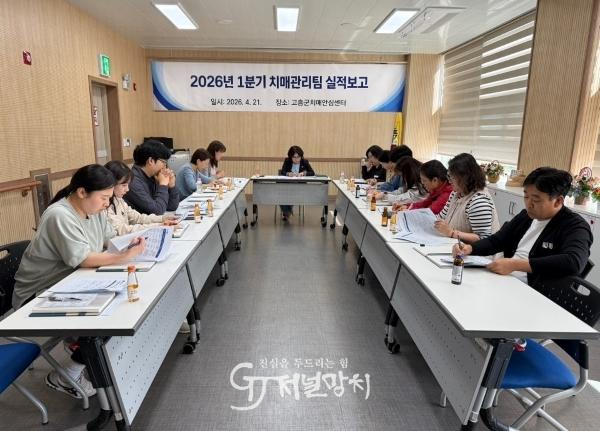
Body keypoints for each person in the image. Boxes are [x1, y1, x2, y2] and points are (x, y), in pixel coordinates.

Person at [12, 164, 146, 398]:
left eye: (109, 198)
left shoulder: (94, 211)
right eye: (103, 198)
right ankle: (66, 375)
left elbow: (109, 240)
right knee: (109, 319)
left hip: (70, 283)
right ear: (82, 192)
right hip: (39, 294)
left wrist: (130, 244)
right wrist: (123, 256)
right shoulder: (59, 215)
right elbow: (84, 259)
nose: (107, 203)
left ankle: (84, 358)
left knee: (122, 307)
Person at [453, 167, 592, 285]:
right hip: (506, 280)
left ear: (558, 201)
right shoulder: (526, 216)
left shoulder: (575, 226)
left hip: (535, 291)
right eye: (526, 197)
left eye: (536, 199)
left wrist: (515, 264)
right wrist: (470, 248)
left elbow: (573, 262)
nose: (529, 204)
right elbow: (497, 240)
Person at [434, 153, 499, 243]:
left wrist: (451, 232)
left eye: (452, 177)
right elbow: (442, 216)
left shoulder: (478, 201)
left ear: (465, 178)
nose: (449, 181)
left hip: (474, 250)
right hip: (454, 244)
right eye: (449, 176)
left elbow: (483, 239)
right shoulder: (455, 193)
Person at [105, 161, 180, 235]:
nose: (127, 189)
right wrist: (159, 226)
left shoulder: (118, 199)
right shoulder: (105, 205)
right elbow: (121, 229)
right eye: (124, 185)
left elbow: (138, 218)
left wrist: (162, 219)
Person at [124, 139, 179, 215]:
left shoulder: (153, 176)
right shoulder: (133, 181)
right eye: (163, 162)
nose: (165, 167)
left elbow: (171, 206)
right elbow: (158, 210)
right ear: (151, 161)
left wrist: (171, 186)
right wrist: (163, 185)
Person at [279, 145, 315, 221]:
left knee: (290, 193)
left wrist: (304, 173)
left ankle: (287, 213)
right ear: (290, 157)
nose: (296, 159)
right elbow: (282, 172)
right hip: (288, 185)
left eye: (298, 157)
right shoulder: (287, 161)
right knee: (281, 193)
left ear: (301, 156)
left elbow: (312, 172)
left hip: (300, 187)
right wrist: (288, 174)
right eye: (294, 157)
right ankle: (287, 212)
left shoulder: (304, 162)